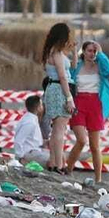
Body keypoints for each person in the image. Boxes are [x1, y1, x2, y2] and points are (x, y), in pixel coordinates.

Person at [65, 38, 109, 185]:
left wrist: (101, 53)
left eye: (94, 51)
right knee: (81, 140)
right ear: (84, 52)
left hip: (95, 104)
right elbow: (69, 74)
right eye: (90, 51)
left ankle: (98, 178)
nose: (92, 53)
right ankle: (68, 170)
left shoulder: (100, 66)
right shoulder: (78, 66)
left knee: (95, 145)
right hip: (79, 103)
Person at [40, 22, 75, 172]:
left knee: (56, 129)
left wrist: (73, 52)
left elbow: (71, 67)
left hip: (52, 89)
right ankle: (59, 164)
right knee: (60, 129)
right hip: (59, 90)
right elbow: (63, 76)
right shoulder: (57, 54)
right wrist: (69, 98)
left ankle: (54, 162)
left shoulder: (52, 52)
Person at [13, 94, 46, 162]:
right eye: (41, 105)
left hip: (35, 151)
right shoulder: (30, 122)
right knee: (54, 160)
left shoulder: (31, 118)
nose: (43, 107)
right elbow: (18, 141)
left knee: (59, 157)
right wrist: (21, 157)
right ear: (38, 108)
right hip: (29, 153)